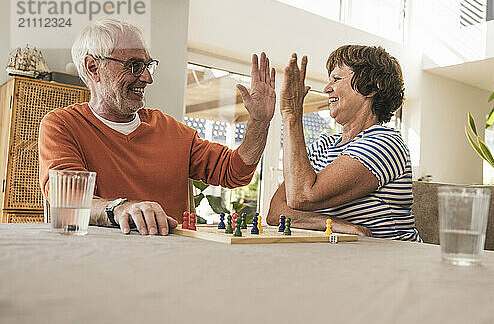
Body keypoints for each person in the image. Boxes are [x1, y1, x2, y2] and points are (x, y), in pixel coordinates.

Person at [39, 17, 276, 236]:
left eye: (147, 65)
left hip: (170, 264)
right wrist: (120, 209)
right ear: (93, 67)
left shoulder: (173, 131)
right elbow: (68, 198)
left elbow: (235, 172)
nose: (147, 78)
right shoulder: (62, 125)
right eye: (134, 65)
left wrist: (259, 122)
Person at [267, 45, 421, 241]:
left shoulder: (386, 143)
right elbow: (276, 212)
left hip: (390, 263)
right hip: (345, 259)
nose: (326, 88)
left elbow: (302, 196)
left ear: (372, 87)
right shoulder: (324, 145)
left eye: (337, 79)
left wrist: (291, 114)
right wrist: (336, 225)